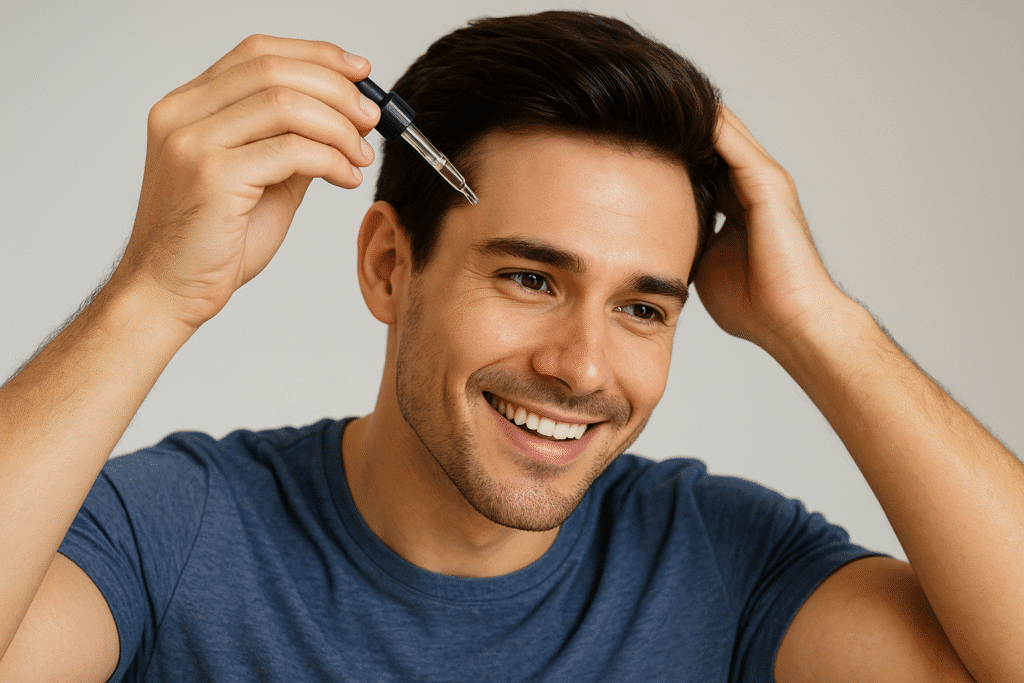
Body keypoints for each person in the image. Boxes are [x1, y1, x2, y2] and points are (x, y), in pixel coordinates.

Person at [0, 10, 1020, 682]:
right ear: (390, 267)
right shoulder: (175, 531)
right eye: (531, 278)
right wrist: (153, 293)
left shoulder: (724, 564)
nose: (580, 367)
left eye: (642, 307)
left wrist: (822, 325)